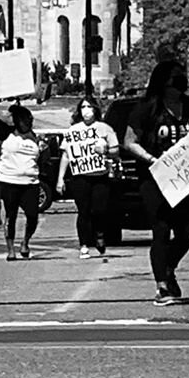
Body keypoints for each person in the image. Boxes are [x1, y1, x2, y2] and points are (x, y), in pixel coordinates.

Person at [124, 60, 189, 304]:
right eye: (174, 80)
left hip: (186, 180)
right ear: (162, 83)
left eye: (182, 79)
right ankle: (162, 284)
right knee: (161, 230)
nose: (178, 85)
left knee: (187, 230)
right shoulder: (147, 108)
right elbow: (129, 141)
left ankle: (169, 267)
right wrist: (153, 159)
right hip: (155, 180)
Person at [57, 96, 119, 258]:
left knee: (99, 209)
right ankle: (84, 244)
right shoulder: (73, 130)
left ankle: (99, 234)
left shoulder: (105, 128)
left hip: (100, 176)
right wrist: (60, 179)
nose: (86, 110)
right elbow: (66, 155)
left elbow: (116, 151)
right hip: (80, 177)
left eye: (89, 107)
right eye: (83, 107)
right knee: (83, 211)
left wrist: (105, 151)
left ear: (95, 109)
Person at [0, 93, 43, 261]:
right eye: (23, 121)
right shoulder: (7, 133)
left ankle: (25, 242)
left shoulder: (35, 138)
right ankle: (11, 249)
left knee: (32, 215)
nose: (27, 124)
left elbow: (41, 159)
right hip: (9, 181)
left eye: (29, 121)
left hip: (30, 182)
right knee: (11, 215)